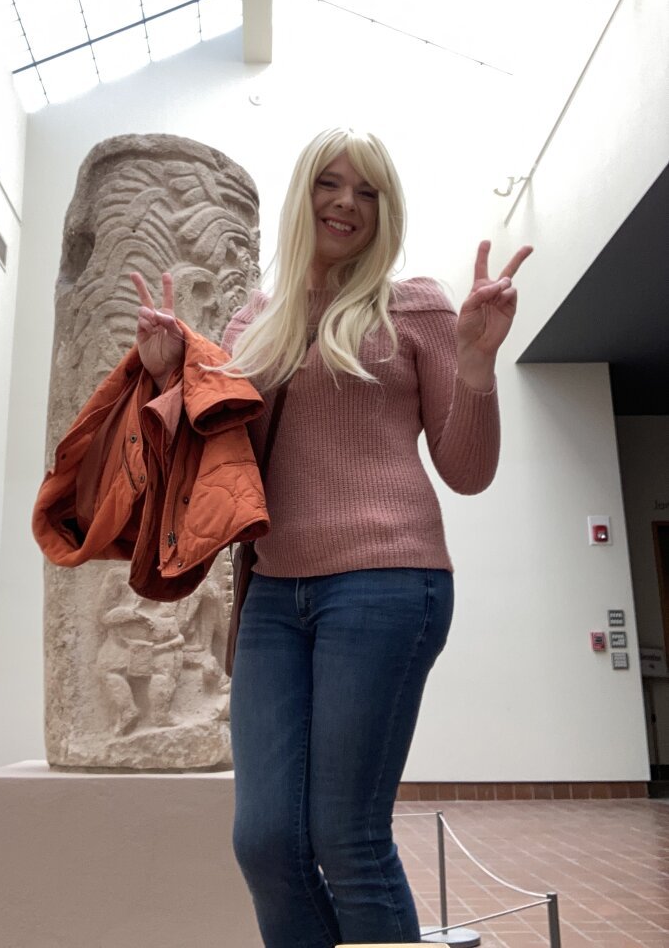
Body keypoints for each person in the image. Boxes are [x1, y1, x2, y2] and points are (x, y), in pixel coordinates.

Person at [130, 127, 532, 948]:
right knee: (267, 840)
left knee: (346, 838)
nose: (345, 203)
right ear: (302, 195)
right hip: (275, 592)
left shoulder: (414, 303)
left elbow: (466, 470)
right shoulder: (256, 320)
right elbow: (217, 458)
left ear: (384, 211)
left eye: (367, 191)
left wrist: (477, 365)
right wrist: (171, 375)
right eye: (329, 183)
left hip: (387, 583)